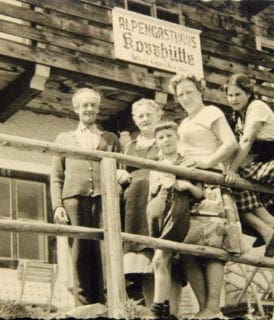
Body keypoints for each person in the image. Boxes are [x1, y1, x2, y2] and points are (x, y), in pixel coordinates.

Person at [169, 73, 239, 319]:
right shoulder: (184, 124)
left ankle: (213, 307)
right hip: (190, 186)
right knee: (188, 248)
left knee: (212, 248)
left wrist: (207, 162)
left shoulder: (212, 113)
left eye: (189, 92)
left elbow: (231, 143)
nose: (185, 98)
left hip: (209, 183)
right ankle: (203, 309)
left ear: (200, 90)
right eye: (180, 95)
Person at [50, 88, 120, 306]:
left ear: (98, 109)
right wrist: (57, 206)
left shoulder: (109, 138)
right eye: (84, 105)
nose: (89, 109)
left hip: (104, 200)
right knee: (79, 251)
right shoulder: (63, 138)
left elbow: (121, 171)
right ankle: (83, 306)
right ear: (76, 108)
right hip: (73, 201)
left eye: (93, 105)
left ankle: (108, 304)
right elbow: (56, 176)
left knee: (105, 250)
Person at [223, 74, 274, 257]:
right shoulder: (238, 116)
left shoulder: (257, 107)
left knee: (235, 182)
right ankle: (269, 230)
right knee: (231, 194)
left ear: (249, 93)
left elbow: (248, 140)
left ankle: (269, 222)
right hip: (269, 162)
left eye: (238, 94)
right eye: (230, 95)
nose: (233, 99)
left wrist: (231, 170)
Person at [116, 99, 183, 314]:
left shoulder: (164, 140)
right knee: (144, 263)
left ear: (158, 115)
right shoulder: (130, 146)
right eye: (140, 116)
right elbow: (122, 170)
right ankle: (155, 314)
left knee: (165, 256)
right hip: (135, 208)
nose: (145, 119)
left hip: (160, 202)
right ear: (135, 121)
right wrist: (122, 174)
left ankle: (172, 312)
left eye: (148, 115)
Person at [146, 121, 204, 318]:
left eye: (169, 135)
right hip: (156, 213)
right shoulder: (155, 165)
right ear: (156, 142)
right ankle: (165, 311)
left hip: (176, 211)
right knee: (164, 260)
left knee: (159, 259)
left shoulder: (187, 163)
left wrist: (185, 185)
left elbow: (200, 193)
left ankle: (156, 310)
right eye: (161, 138)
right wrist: (155, 188)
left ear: (177, 137)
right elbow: (151, 194)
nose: (165, 140)